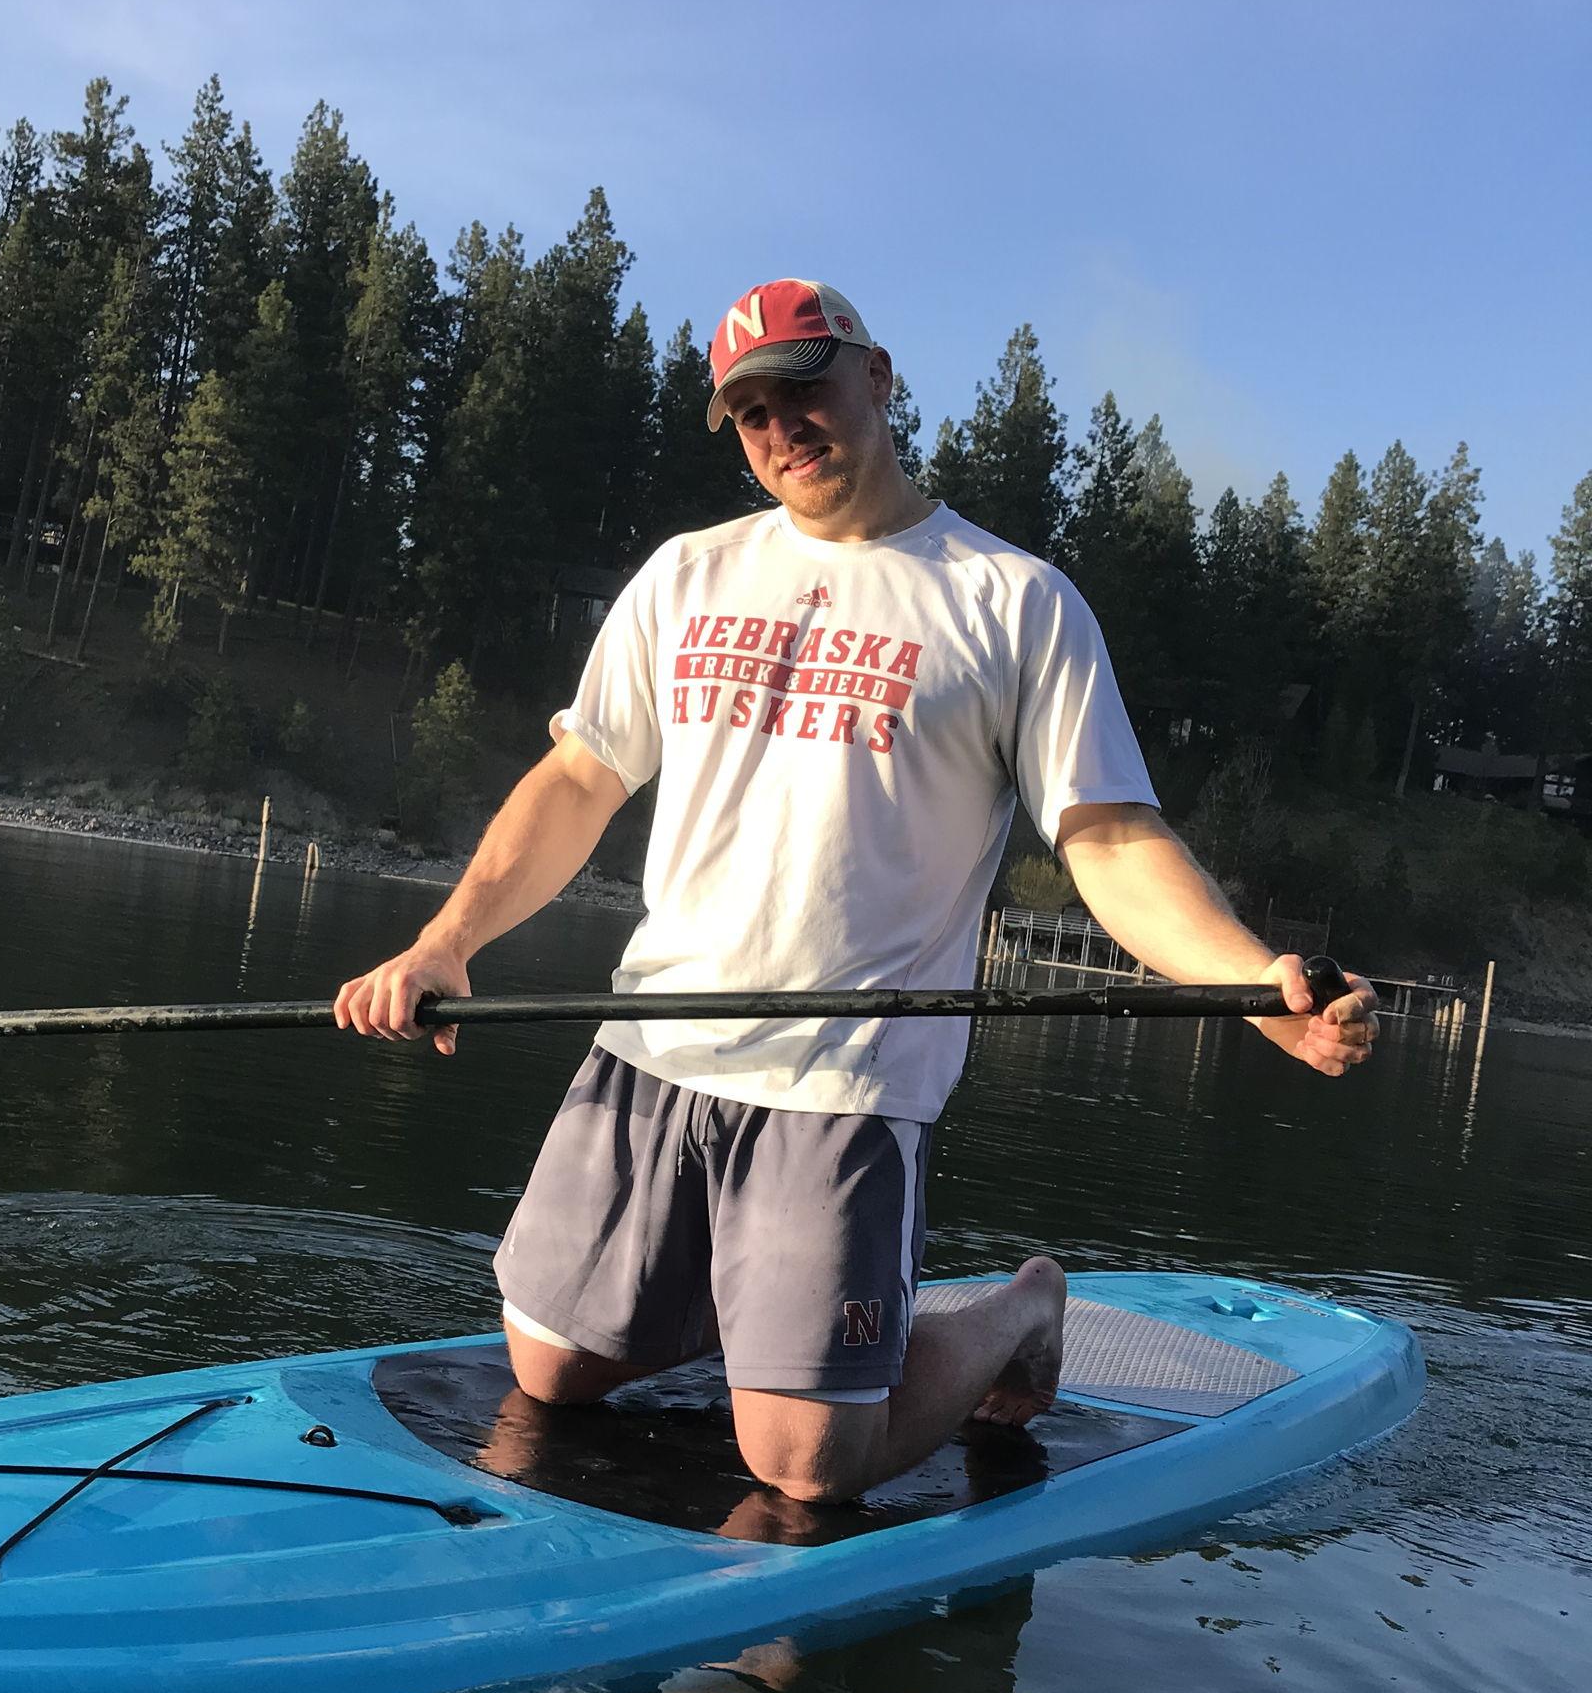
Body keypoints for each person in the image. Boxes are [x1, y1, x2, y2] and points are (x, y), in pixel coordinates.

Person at [335, 277, 1378, 1507]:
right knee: (551, 1369)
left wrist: (1245, 981)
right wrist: (447, 941)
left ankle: (1010, 1314)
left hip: (842, 1075)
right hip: (656, 1041)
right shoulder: (685, 576)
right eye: (750, 413)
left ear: (876, 376)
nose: (780, 429)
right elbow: (577, 779)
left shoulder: (1010, 600)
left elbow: (1105, 836)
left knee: (804, 1466)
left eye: (804, 389)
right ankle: (771, 1311)